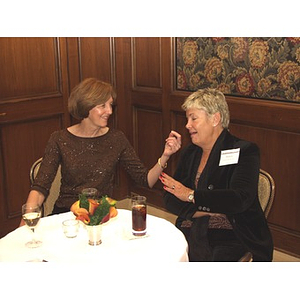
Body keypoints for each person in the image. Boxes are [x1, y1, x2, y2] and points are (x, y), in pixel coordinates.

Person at [21, 78, 181, 221]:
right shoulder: (59, 139)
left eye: (110, 105)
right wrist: (26, 220)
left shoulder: (116, 138)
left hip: (102, 215)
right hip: (68, 215)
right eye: (102, 106)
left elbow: (145, 180)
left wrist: (165, 155)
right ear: (86, 106)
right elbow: (40, 186)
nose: (110, 111)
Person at [159, 88, 273, 261]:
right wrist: (203, 212)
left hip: (233, 233)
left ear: (215, 119)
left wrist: (190, 195)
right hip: (192, 225)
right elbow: (170, 198)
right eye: (187, 118)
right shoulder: (190, 153)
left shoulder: (245, 151)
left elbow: (240, 199)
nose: (187, 125)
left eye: (194, 118)